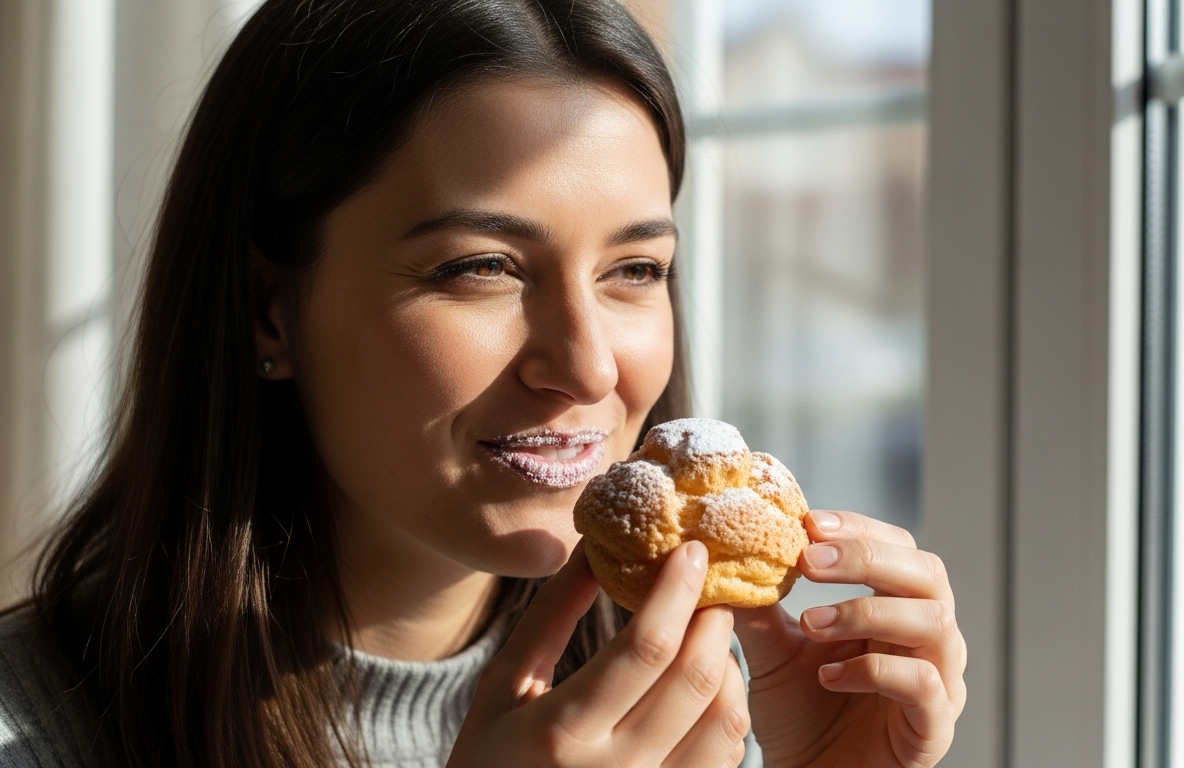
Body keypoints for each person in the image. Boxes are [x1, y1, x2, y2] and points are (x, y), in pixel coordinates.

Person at [0, 1, 966, 766]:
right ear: (269, 311)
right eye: (483, 268)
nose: (589, 365)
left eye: (634, 270)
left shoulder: (704, 729)